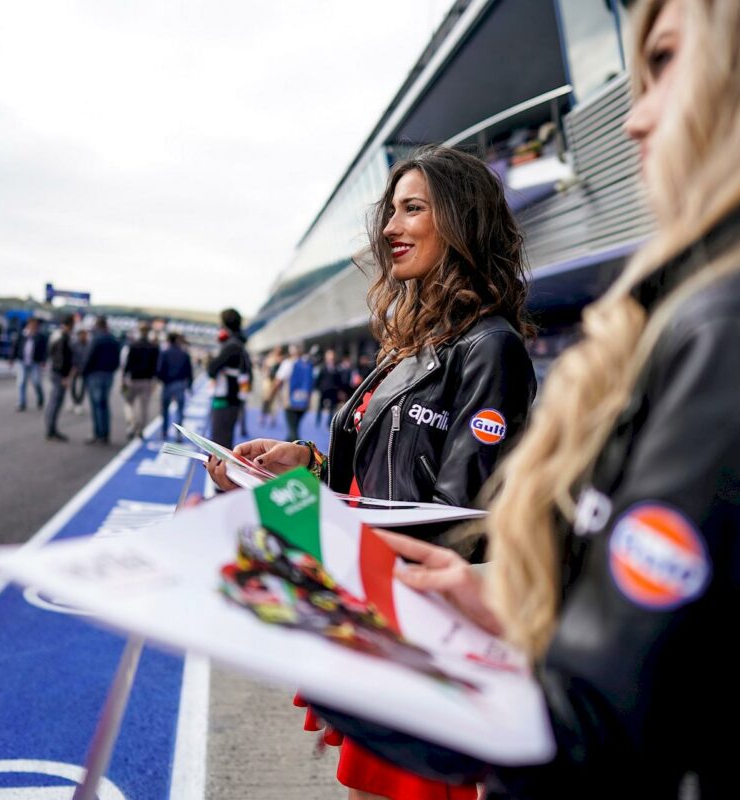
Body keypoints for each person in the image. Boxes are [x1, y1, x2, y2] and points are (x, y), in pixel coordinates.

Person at [312, 1, 740, 797]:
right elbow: (730, 625)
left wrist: (332, 644)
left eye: (663, 62)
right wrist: (508, 602)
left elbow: (608, 729)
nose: (634, 118)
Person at [209, 144, 538, 800]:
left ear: (461, 221)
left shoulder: (490, 347)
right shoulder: (411, 339)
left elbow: (455, 524)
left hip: (412, 623)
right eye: (391, 210)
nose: (390, 227)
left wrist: (305, 516)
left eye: (412, 209)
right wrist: (302, 466)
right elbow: (380, 477)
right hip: (370, 599)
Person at [206, 308, 251, 450]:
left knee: (219, 442)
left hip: (225, 398)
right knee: (224, 438)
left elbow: (212, 368)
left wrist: (211, 360)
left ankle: (220, 464)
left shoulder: (231, 345)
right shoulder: (239, 343)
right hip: (233, 397)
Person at [82, 316, 121, 445]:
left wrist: (84, 372)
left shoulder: (96, 339)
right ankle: (105, 433)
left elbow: (88, 357)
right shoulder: (113, 339)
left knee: (96, 405)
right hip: (108, 374)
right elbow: (117, 360)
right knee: (104, 404)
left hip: (95, 374)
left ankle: (98, 433)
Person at [122, 322, 159, 441]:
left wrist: (123, 378)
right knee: (144, 407)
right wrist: (154, 381)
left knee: (128, 402)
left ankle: (132, 422)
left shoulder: (133, 345)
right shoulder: (153, 347)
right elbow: (155, 366)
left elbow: (127, 363)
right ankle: (141, 430)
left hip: (134, 379)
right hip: (147, 380)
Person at [157, 332, 194, 441]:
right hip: (180, 384)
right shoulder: (184, 353)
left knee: (165, 409)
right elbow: (189, 371)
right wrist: (189, 385)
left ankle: (164, 432)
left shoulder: (165, 352)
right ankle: (178, 434)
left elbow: (159, 369)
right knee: (180, 410)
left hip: (167, 383)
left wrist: (163, 380)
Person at [44, 315, 75, 442]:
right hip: (60, 374)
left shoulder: (56, 336)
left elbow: (52, 354)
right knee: (56, 402)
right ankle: (51, 430)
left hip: (56, 372)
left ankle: (51, 429)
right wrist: (65, 376)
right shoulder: (63, 338)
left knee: (54, 401)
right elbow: (61, 359)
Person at [272, 343, 312, 442]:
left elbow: (278, 380)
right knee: (294, 428)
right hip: (304, 401)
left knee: (293, 431)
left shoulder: (288, 363)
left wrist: (271, 393)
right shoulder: (307, 364)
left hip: (290, 401)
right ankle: (286, 445)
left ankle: (298, 448)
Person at [8, 317, 47, 412]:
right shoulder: (22, 335)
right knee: (21, 382)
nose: (33, 326)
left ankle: (40, 398)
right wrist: (11, 359)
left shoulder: (40, 336)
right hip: (22, 362)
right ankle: (21, 403)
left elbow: (44, 350)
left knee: (36, 381)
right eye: (32, 324)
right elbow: (15, 347)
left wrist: (43, 361)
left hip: (35, 362)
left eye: (35, 325)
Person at [314, 349, 342, 427]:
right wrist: (318, 388)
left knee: (332, 407)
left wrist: (338, 389)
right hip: (324, 390)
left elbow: (338, 379)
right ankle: (318, 421)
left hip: (333, 390)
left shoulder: (336, 367)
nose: (331, 357)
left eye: (332, 355)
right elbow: (318, 379)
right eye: (329, 355)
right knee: (320, 406)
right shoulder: (322, 367)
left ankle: (329, 422)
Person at [69, 328, 90, 416]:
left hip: (85, 369)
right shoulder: (74, 345)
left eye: (84, 335)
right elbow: (71, 356)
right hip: (75, 368)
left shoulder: (89, 345)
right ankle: (75, 401)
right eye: (81, 335)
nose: (83, 336)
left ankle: (79, 403)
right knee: (73, 386)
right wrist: (72, 367)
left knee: (82, 387)